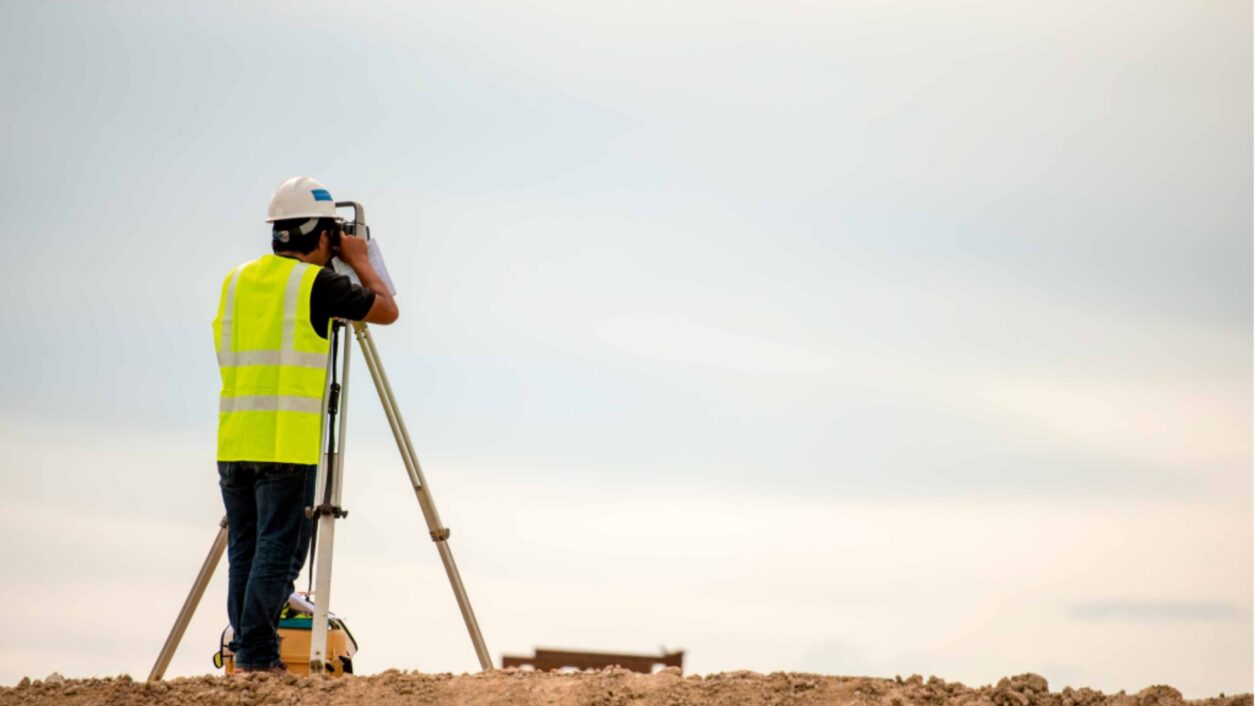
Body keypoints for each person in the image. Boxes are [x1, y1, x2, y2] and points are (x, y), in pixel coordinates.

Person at [212, 176, 398, 672]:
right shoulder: (315, 284)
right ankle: (256, 656)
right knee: (279, 552)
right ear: (321, 236)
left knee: (245, 553)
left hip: (234, 439)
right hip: (286, 443)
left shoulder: (237, 281)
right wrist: (359, 260)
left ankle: (247, 651)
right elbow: (387, 310)